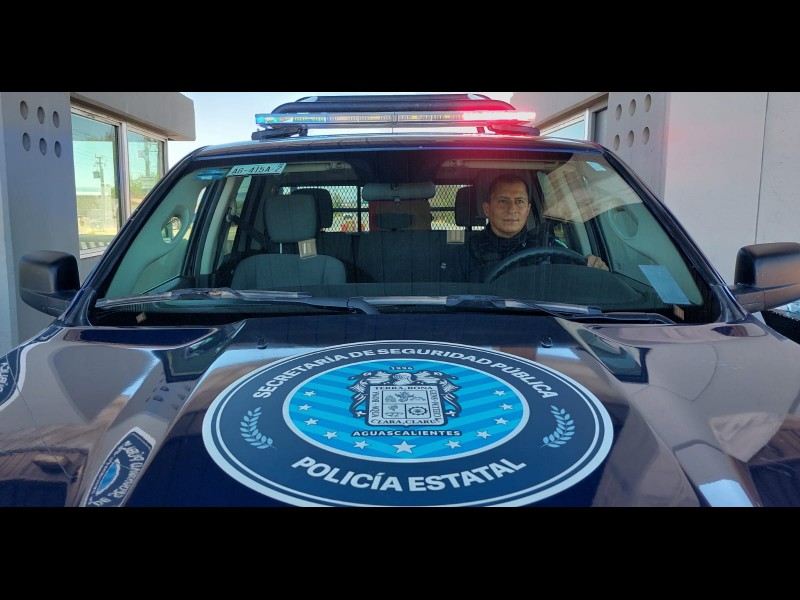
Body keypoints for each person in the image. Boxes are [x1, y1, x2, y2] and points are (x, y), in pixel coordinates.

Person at [467, 173, 608, 282]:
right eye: (503, 201)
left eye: (519, 201)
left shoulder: (548, 247)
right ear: (487, 209)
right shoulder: (465, 251)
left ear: (528, 210)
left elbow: (579, 280)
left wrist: (593, 268)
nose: (512, 209)